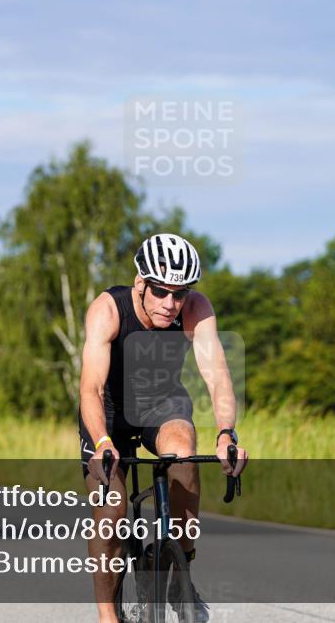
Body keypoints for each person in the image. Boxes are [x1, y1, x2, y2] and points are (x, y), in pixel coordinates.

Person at [78, 233, 248, 623]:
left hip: (161, 401)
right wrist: (102, 441)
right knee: (112, 511)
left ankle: (180, 568)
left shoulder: (196, 309)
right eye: (160, 292)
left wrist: (226, 433)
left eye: (180, 293)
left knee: (184, 455)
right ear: (140, 283)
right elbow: (91, 387)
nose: (171, 304)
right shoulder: (108, 310)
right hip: (108, 410)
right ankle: (108, 617)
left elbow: (218, 376)